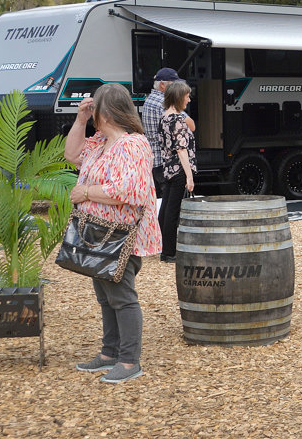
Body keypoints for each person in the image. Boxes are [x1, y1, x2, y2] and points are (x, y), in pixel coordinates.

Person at [63, 83, 161, 384]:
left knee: (122, 298)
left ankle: (129, 361)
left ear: (106, 112)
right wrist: (80, 120)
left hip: (120, 237)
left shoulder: (132, 144)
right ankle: (109, 353)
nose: (91, 112)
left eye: (94, 108)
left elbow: (129, 191)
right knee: (106, 297)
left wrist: (85, 192)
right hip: (97, 235)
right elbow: (71, 154)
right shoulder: (101, 143)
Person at [157, 81, 196, 262]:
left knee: (166, 209)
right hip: (179, 169)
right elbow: (181, 150)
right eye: (187, 96)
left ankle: (163, 248)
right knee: (173, 211)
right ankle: (170, 252)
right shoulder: (178, 120)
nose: (189, 99)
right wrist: (189, 176)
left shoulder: (164, 117)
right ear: (179, 97)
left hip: (167, 168)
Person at [141, 68, 176, 196]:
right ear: (162, 85)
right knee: (170, 199)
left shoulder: (150, 99)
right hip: (165, 160)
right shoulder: (163, 103)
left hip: (155, 159)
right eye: (174, 84)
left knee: (158, 198)